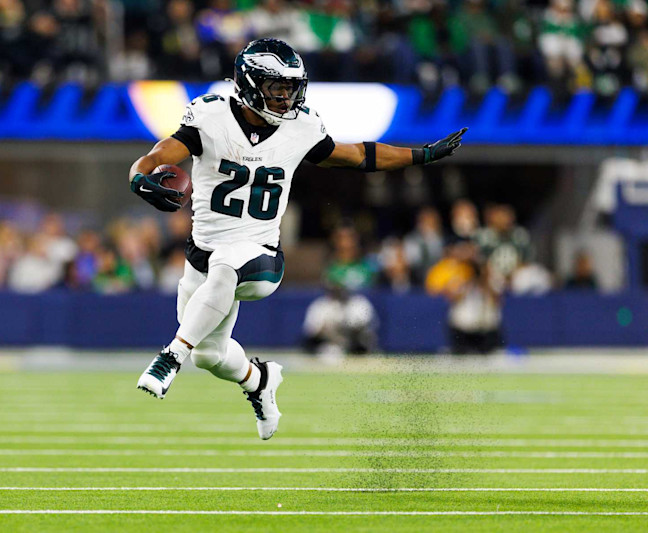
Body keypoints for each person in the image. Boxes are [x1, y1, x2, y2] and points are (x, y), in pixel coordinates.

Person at [128, 38, 466, 440]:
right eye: (277, 88)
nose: (286, 97)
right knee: (210, 355)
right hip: (202, 255)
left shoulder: (301, 127)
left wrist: (421, 155)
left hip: (261, 258)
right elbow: (160, 152)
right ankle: (259, 380)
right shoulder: (211, 118)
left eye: (291, 88)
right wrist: (138, 175)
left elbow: (358, 155)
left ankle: (170, 357)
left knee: (222, 274)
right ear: (251, 85)